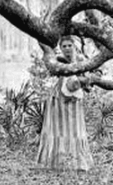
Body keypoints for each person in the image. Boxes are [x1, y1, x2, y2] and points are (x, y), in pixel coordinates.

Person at [36, 36, 95, 171]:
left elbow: (88, 78)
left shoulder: (80, 60)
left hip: (74, 97)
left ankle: (77, 163)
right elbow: (50, 74)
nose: (67, 48)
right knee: (59, 129)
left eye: (70, 45)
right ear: (60, 48)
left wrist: (80, 81)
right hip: (59, 98)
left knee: (75, 129)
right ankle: (58, 162)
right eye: (64, 46)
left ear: (74, 46)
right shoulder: (56, 60)